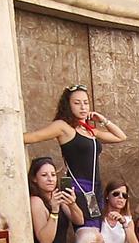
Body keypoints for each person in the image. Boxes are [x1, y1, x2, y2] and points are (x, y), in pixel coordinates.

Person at [23, 85, 126, 219]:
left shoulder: (90, 130)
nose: (83, 107)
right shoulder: (62, 127)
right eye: (77, 103)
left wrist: (102, 120)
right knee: (86, 227)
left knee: (96, 226)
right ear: (68, 105)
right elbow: (32, 137)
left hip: (95, 187)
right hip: (78, 186)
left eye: (86, 103)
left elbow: (121, 137)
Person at [28, 156, 82, 243]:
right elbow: (45, 241)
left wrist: (72, 203)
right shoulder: (36, 201)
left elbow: (79, 221)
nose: (50, 179)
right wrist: (54, 211)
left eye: (53, 174)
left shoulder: (57, 196)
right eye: (44, 175)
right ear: (35, 179)